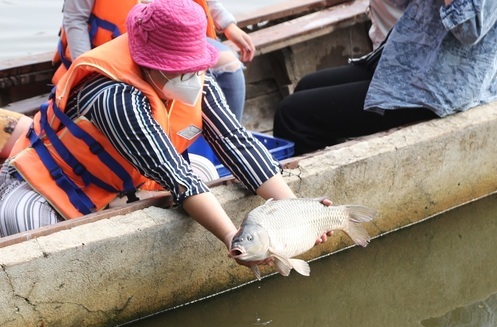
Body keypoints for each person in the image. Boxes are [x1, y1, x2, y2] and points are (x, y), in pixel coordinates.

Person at [0, 0, 327, 267]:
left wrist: (299, 210)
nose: (194, 76)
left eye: (196, 66)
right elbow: (177, 177)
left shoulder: (195, 76)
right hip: (53, 188)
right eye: (181, 67)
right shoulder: (115, 97)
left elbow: (234, 141)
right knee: (29, 225)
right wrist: (232, 239)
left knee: (205, 169)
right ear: (147, 62)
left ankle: (123, 204)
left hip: (125, 184)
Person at [273, 0, 497, 155]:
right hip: (408, 60)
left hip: (441, 84)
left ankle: (313, 215)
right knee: (307, 85)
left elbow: (468, 27)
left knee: (292, 115)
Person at [52, 0, 254, 122]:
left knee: (230, 65)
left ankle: (221, 140)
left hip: (176, 41)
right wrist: (86, 65)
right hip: (124, 45)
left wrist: (228, 25)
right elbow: (75, 19)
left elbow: (209, 4)